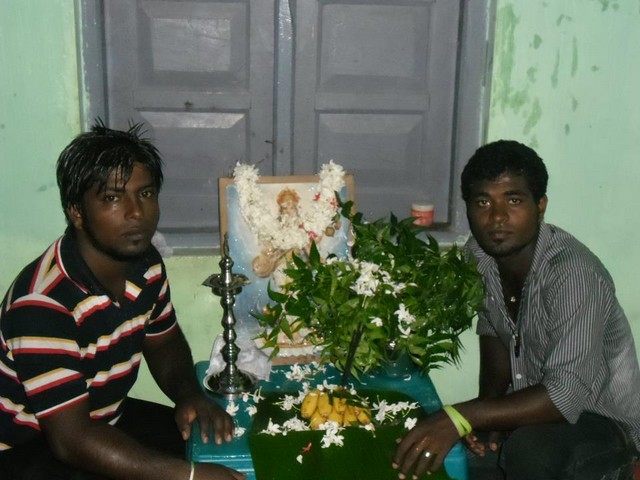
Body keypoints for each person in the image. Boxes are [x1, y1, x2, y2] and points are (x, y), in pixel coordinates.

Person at [0, 122, 245, 480]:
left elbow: (163, 343)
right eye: (113, 198)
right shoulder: (43, 302)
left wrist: (189, 395)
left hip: (104, 419)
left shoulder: (145, 264)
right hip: (28, 449)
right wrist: (190, 476)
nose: (136, 213)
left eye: (145, 193)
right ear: (77, 212)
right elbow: (71, 440)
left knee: (218, 447)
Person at [393, 140, 640, 479]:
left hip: (603, 425)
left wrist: (464, 416)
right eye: (483, 202)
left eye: (513, 200)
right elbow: (494, 330)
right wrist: (485, 416)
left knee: (529, 449)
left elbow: (563, 396)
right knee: (435, 448)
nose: (497, 217)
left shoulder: (573, 274)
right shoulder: (479, 256)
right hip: (532, 412)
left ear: (540, 206)